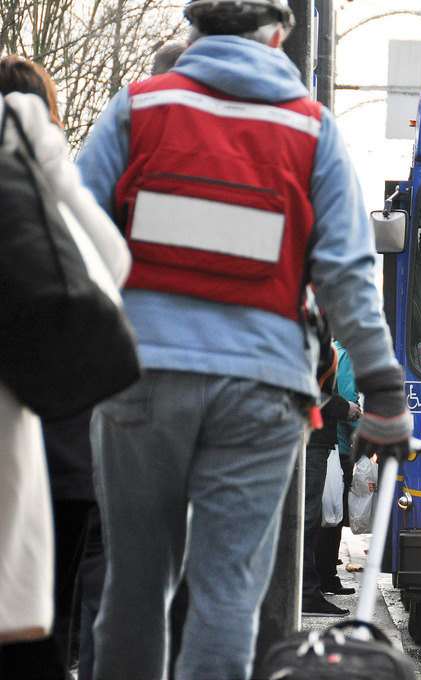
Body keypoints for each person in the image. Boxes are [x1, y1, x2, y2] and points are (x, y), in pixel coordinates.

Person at [75, 1, 413, 678]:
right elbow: (346, 273)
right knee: (228, 596)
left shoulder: (138, 108)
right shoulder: (310, 130)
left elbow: (76, 230)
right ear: (279, 37)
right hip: (262, 388)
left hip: (142, 373)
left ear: (191, 34)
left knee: (134, 589)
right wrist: (383, 389)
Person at [0, 56, 131, 680]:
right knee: (43, 628)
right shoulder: (47, 188)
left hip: (44, 449)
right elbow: (114, 266)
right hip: (65, 447)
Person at [301, 317, 359, 616]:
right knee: (310, 519)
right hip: (313, 436)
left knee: (313, 518)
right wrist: (344, 409)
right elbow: (309, 386)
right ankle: (306, 594)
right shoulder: (318, 339)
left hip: (315, 437)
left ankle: (313, 586)